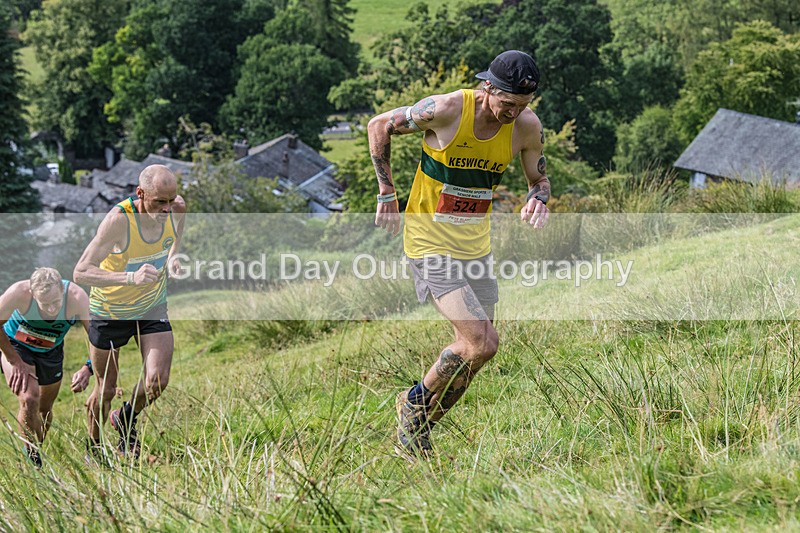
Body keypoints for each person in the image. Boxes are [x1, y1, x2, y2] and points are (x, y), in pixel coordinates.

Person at [367, 50, 551, 459]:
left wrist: (539, 198)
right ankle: (413, 403)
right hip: (428, 241)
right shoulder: (448, 109)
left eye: (522, 106)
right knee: (482, 342)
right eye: (507, 103)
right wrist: (386, 192)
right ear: (488, 88)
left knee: (474, 352)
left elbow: (539, 178)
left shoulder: (525, 127)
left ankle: (416, 432)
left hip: (475, 247)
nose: (513, 113)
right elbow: (379, 124)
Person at [74, 164, 185, 460]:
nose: (166, 208)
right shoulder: (119, 221)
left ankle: (125, 418)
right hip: (110, 311)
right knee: (106, 389)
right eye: (159, 201)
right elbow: (81, 272)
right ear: (140, 194)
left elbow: (176, 240)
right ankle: (94, 447)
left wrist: (173, 259)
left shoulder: (177, 208)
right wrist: (129, 277)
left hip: (151, 304)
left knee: (157, 381)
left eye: (171, 200)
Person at [0, 267, 92, 467]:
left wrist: (88, 367)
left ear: (62, 289)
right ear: (33, 295)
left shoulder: (77, 297)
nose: (51, 309)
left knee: (44, 409)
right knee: (29, 399)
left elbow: (97, 337)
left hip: (51, 352)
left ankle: (35, 450)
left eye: (56, 303)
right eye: (45, 304)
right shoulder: (19, 293)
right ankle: (34, 463)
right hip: (17, 346)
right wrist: (14, 360)